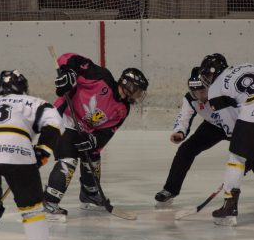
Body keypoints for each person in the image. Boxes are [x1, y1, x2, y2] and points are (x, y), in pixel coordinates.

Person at [43, 53, 149, 222]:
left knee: (93, 155)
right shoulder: (102, 77)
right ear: (128, 85)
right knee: (69, 161)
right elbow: (70, 59)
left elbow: (107, 132)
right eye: (138, 91)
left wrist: (94, 140)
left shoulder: (122, 108)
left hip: (84, 128)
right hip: (64, 117)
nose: (138, 96)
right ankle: (49, 203)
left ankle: (89, 195)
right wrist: (68, 72)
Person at [0, 70, 63, 240]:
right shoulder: (33, 102)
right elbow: (54, 121)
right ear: (23, 87)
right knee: (32, 209)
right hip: (18, 147)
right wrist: (43, 150)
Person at [155, 67, 231, 207]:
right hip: (213, 127)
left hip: (235, 125)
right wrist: (180, 131)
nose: (199, 96)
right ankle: (170, 190)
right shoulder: (191, 99)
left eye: (202, 91)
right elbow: (184, 116)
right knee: (186, 150)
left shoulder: (224, 93)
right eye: (195, 92)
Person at [198, 53, 254, 226]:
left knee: (236, 157)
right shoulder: (247, 65)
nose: (207, 79)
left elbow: (232, 129)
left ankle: (229, 208)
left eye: (207, 74)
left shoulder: (216, 89)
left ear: (213, 71)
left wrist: (242, 156)